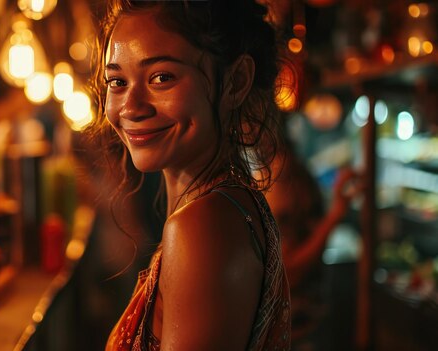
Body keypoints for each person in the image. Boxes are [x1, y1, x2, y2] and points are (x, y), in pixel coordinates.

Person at [87, 0, 291, 349]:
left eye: (162, 77)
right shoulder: (223, 208)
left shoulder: (201, 227)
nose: (131, 107)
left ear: (235, 81)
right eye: (117, 81)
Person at [266, 148, 360, 349]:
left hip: (306, 315)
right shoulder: (279, 208)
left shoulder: (293, 191)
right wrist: (334, 216)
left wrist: (335, 211)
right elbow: (290, 269)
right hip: (294, 320)